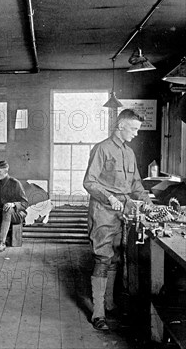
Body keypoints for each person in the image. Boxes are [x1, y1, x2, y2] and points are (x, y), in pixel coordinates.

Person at [83, 109, 152, 331]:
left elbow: (136, 185)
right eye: (134, 129)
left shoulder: (129, 153)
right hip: (103, 211)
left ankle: (110, 304)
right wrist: (110, 197)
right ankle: (98, 313)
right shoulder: (102, 149)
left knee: (116, 258)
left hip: (123, 212)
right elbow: (89, 182)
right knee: (102, 258)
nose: (136, 134)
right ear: (121, 126)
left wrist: (149, 205)